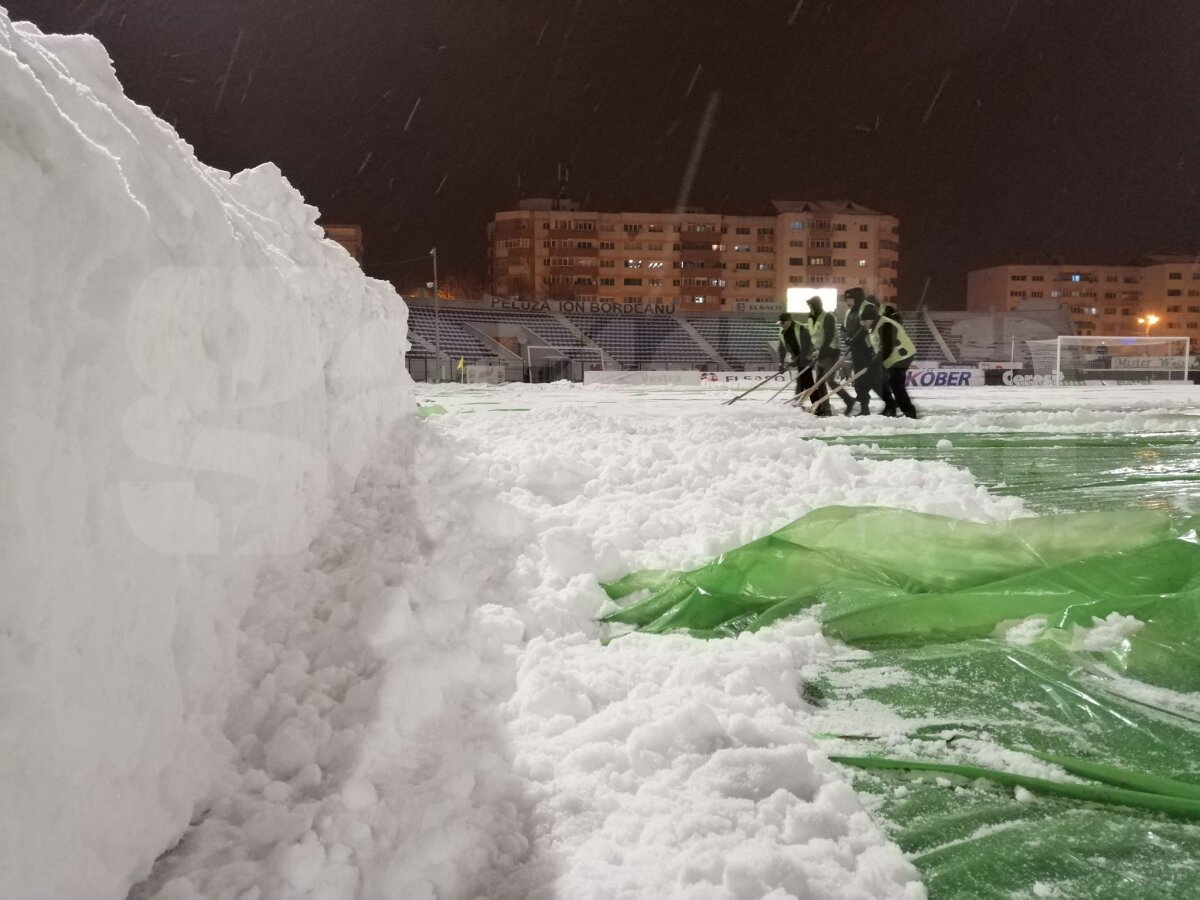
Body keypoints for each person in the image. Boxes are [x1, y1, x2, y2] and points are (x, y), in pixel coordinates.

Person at [860, 304, 918, 418]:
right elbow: (877, 347)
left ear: (871, 319)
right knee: (876, 380)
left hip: (902, 357)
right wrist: (872, 361)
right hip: (890, 359)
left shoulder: (886, 325)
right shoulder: (873, 327)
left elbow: (887, 348)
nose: (863, 324)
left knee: (896, 384)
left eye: (864, 321)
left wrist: (874, 363)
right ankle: (891, 405)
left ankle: (909, 412)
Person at [805, 295, 854, 416]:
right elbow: (813, 337)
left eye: (811, 306)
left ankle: (847, 400)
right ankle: (825, 407)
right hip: (819, 352)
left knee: (829, 381)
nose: (810, 309)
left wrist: (820, 351)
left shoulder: (827, 317)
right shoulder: (811, 319)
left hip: (830, 351)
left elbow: (829, 337)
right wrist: (812, 351)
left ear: (816, 306)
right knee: (820, 382)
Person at [841, 287, 887, 415]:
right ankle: (864, 408)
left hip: (868, 351)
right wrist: (847, 339)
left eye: (850, 299)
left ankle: (891, 403)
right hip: (856, 351)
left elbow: (865, 328)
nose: (847, 302)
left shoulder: (868, 308)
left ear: (857, 298)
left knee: (873, 381)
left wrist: (853, 339)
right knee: (860, 382)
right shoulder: (849, 312)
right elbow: (843, 328)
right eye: (846, 299)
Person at [777, 312, 816, 398]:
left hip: (808, 356)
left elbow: (806, 347)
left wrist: (796, 361)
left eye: (783, 323)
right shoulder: (782, 331)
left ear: (789, 321)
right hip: (798, 357)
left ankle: (803, 401)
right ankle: (803, 401)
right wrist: (781, 364)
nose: (781, 325)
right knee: (805, 380)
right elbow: (781, 349)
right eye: (780, 323)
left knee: (803, 379)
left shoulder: (801, 328)